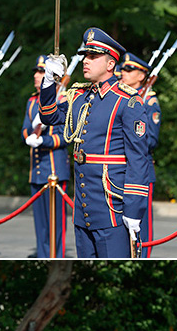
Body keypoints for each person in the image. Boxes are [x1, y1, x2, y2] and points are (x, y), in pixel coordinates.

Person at [39, 28, 150, 258]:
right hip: (83, 209)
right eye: (84, 56)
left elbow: (138, 160)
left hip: (113, 209)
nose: (85, 61)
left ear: (110, 64)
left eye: (92, 56)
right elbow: (49, 116)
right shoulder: (80, 96)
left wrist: (133, 209)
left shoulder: (127, 102)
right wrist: (49, 82)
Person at [21, 54, 70, 257]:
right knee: (40, 224)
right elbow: (25, 128)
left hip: (54, 170)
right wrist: (30, 137)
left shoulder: (63, 98)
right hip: (37, 170)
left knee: (56, 224)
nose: (37, 75)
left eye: (42, 72)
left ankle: (55, 256)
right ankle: (43, 256)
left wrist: (44, 141)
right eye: (36, 72)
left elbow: (66, 135)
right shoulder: (32, 102)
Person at [118, 51, 161, 257]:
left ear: (142, 76)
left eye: (129, 69)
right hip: (120, 172)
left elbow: (150, 140)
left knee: (142, 230)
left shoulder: (149, 102)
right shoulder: (123, 99)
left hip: (141, 172)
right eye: (123, 69)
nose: (123, 73)